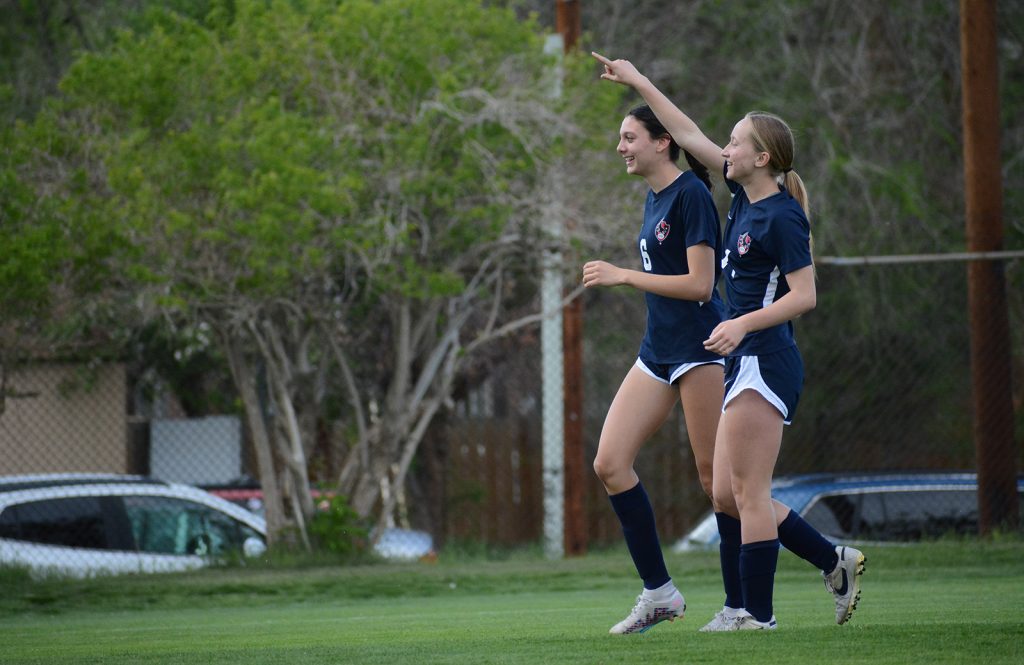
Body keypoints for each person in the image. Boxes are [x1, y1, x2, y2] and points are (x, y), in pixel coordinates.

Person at [592, 51, 865, 631]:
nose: (725, 148)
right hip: (729, 354)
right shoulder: (743, 198)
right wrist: (637, 78)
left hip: (751, 356)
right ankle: (807, 570)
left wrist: (741, 323)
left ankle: (751, 611)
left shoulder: (780, 216)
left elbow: (801, 295)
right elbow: (687, 130)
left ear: (761, 157)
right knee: (725, 493)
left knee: (739, 492)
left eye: (737, 142)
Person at [582, 104, 727, 634]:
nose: (620, 146)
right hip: (658, 351)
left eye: (629, 136)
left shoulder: (691, 194)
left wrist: (624, 275)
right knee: (610, 463)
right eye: (619, 137)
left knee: (721, 487)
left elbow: (700, 286)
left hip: (700, 348)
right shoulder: (653, 198)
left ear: (662, 142)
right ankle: (659, 593)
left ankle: (820, 563)